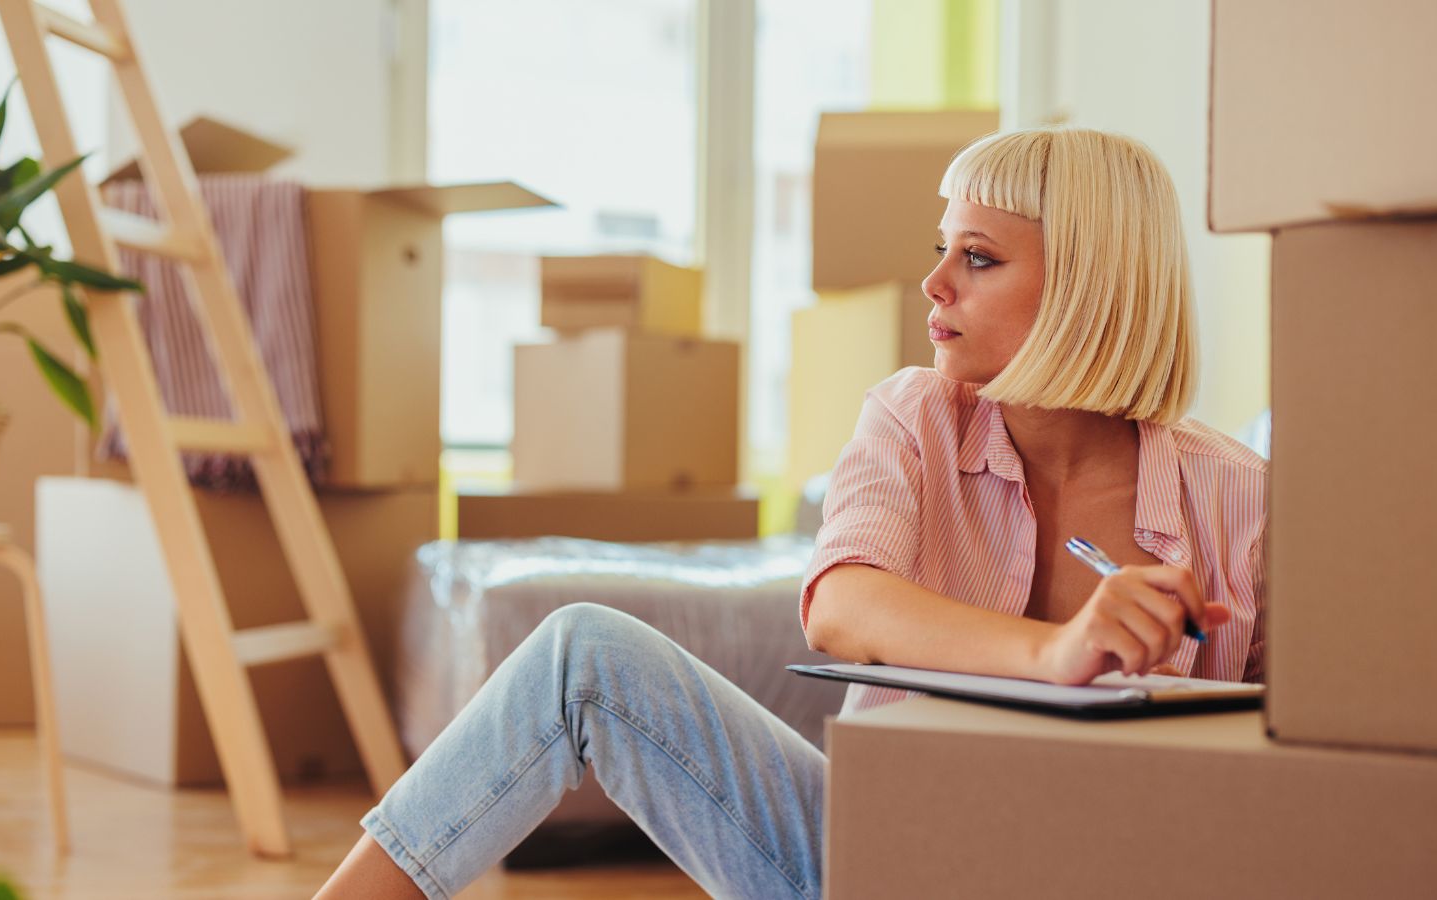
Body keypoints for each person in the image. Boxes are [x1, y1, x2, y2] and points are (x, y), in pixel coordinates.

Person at [315, 126, 1266, 900]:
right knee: (583, 653)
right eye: (943, 252)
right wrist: (1053, 656)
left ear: (1089, 292)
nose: (936, 285)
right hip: (872, 864)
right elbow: (842, 604)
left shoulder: (1237, 496)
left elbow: (1298, 768)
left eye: (977, 259)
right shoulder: (914, 416)